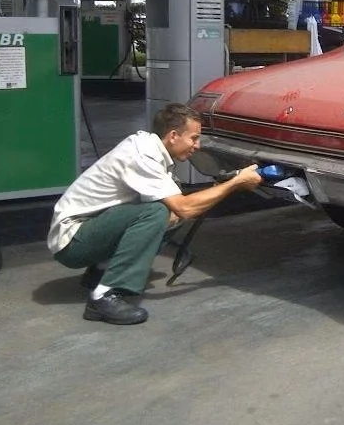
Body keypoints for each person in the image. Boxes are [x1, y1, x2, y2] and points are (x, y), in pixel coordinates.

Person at [47, 103, 264, 326]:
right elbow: (184, 207)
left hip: (87, 230)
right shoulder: (143, 156)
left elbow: (181, 207)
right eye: (194, 138)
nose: (197, 146)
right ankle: (104, 296)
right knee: (158, 211)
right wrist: (236, 183)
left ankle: (100, 272)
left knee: (170, 212)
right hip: (72, 241)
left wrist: (223, 182)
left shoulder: (153, 150)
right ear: (173, 136)